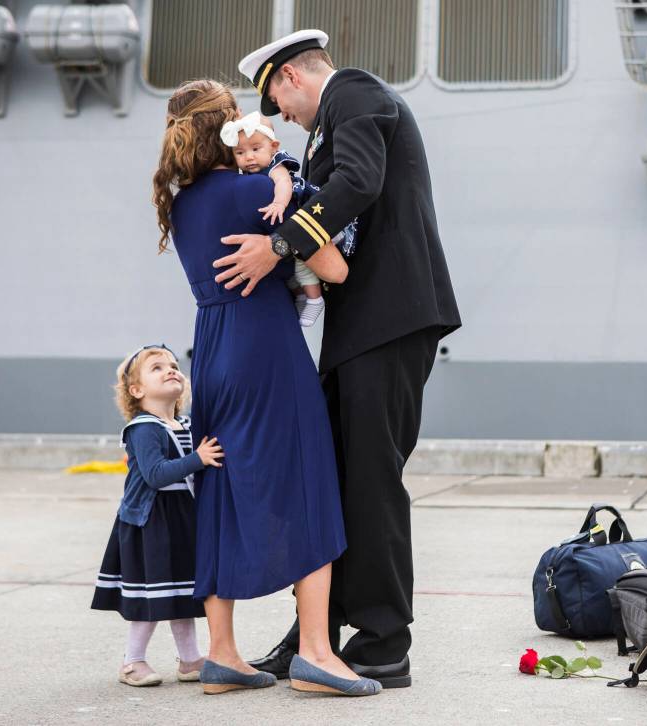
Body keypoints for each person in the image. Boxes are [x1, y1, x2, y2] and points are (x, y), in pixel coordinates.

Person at [217, 29, 461, 688]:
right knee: (333, 481)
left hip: (391, 317)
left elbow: (358, 180)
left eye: (278, 102)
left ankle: (385, 640)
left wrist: (277, 247)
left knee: (371, 479)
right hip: (360, 328)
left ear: (292, 77)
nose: (281, 118)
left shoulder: (354, 93)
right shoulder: (328, 125)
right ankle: (318, 637)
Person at [151, 78, 381, 697]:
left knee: (221, 489)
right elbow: (333, 267)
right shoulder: (255, 190)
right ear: (230, 128)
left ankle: (222, 655)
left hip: (213, 350)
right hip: (266, 349)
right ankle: (315, 653)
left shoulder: (183, 202)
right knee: (309, 483)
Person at [90, 344, 223, 687]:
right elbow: (155, 474)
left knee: (180, 592)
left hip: (179, 518)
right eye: (157, 367)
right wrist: (199, 458)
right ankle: (132, 662)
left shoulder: (185, 424)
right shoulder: (143, 427)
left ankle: (191, 659)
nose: (170, 370)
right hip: (149, 522)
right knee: (151, 595)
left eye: (174, 365)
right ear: (136, 390)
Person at [221, 110, 359, 327]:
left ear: (273, 146)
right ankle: (302, 296)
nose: (248, 157)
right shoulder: (248, 174)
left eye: (256, 149)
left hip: (303, 214)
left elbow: (284, 183)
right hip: (284, 224)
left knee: (302, 262)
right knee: (290, 270)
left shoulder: (275, 165)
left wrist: (279, 204)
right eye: (240, 153)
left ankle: (314, 299)